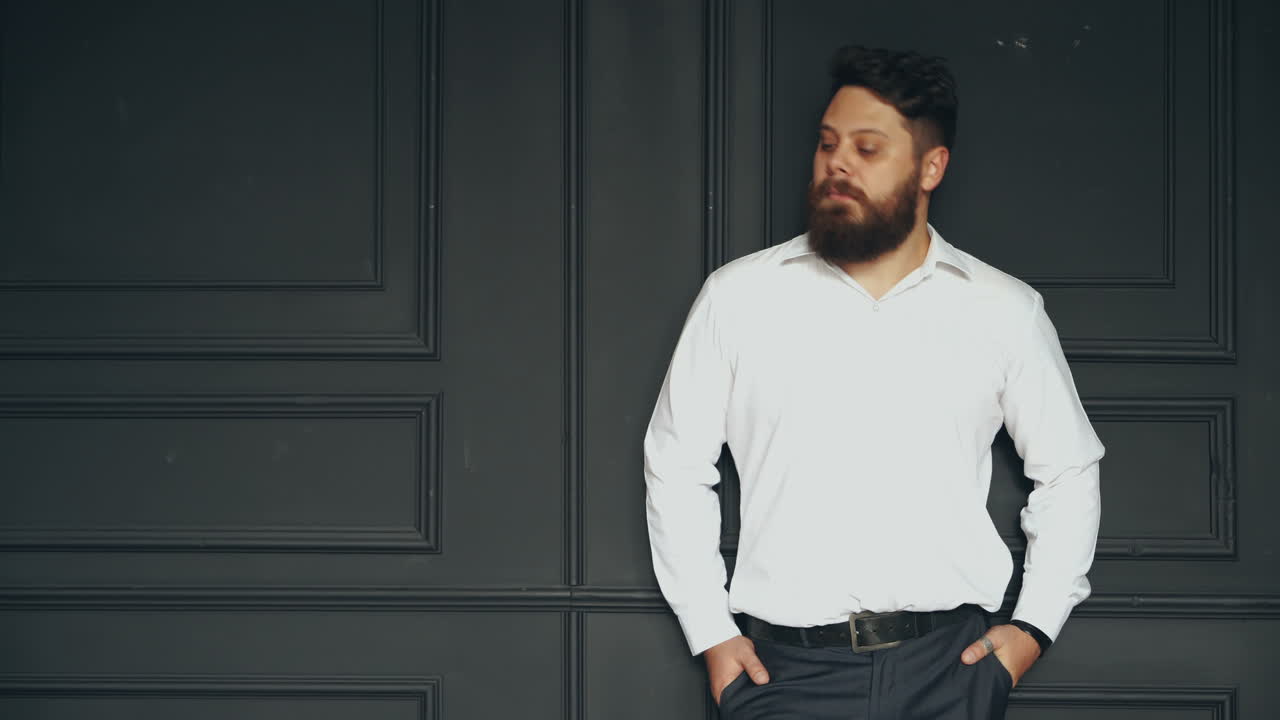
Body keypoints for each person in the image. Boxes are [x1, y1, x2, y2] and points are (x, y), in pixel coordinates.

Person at [643, 45, 1104, 719]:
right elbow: (676, 466)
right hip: (785, 676)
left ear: (931, 167)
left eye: (867, 148)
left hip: (948, 673)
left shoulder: (1003, 311)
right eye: (828, 143)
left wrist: (1033, 628)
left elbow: (1068, 470)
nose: (838, 163)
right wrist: (709, 630)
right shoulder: (737, 299)